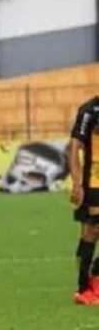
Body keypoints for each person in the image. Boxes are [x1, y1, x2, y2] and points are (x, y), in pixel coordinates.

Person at [68, 95, 99, 305]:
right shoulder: (90, 110)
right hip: (94, 183)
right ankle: (83, 288)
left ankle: (95, 276)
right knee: (91, 232)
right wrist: (77, 183)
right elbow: (74, 148)